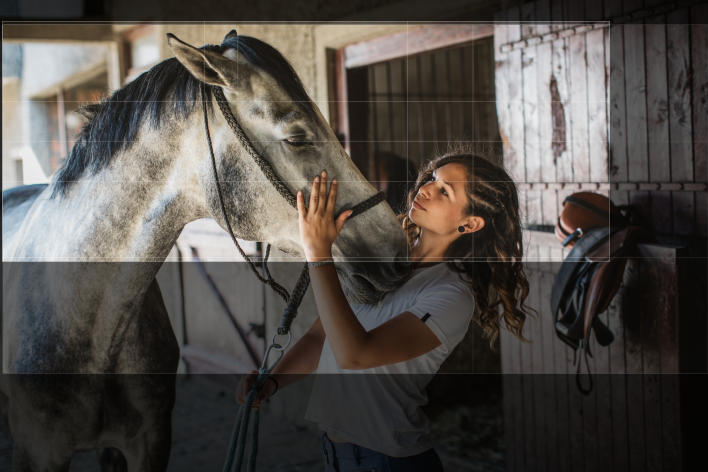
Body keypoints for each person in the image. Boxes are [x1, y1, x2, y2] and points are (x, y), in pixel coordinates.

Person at [237, 152, 532, 471]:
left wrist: (319, 255)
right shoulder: (384, 263)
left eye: (445, 191)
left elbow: (355, 355)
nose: (428, 189)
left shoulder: (451, 295)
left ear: (469, 223)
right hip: (335, 455)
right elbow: (322, 337)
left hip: (387, 461)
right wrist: (273, 381)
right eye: (433, 178)